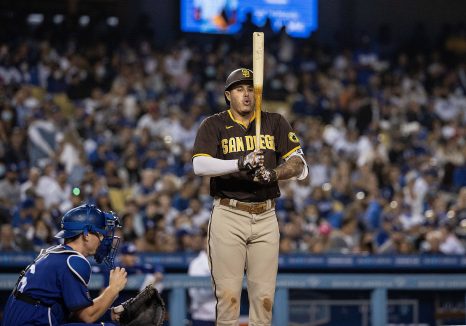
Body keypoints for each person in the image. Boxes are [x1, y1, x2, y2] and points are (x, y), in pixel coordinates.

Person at [192, 68, 308, 325]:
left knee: (264, 300)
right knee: (228, 298)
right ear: (227, 95)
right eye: (239, 89)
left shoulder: (274, 121)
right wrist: (240, 162)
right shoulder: (214, 124)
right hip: (229, 213)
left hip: (266, 215)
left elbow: (300, 164)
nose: (246, 94)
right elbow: (200, 166)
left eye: (250, 89)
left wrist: (273, 174)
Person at [2, 204, 128, 326]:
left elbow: (76, 314)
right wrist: (113, 289)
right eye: (100, 233)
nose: (102, 239)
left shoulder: (53, 253)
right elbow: (87, 316)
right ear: (86, 234)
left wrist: (109, 314)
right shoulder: (73, 260)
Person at [188, 230, 216, 326]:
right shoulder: (196, 264)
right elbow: (195, 294)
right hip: (203, 316)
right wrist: (217, 289)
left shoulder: (225, 261)